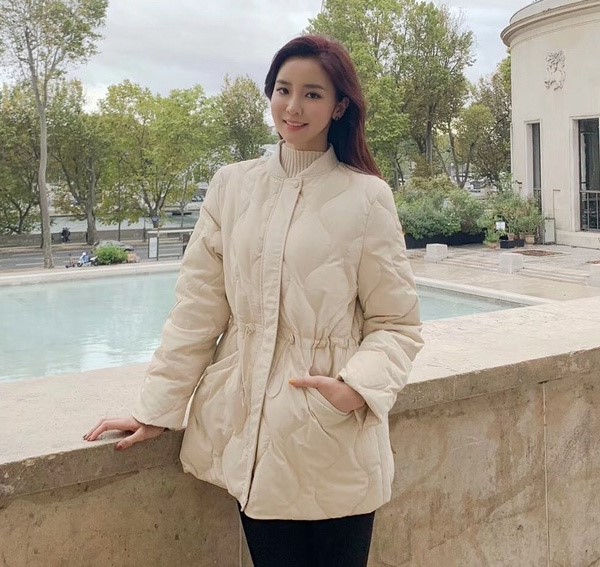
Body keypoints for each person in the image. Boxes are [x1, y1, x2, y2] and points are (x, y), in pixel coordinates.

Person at [84, 35, 423, 567]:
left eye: (313, 94)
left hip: (333, 439)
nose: (293, 106)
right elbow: (198, 308)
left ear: (339, 107)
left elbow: (397, 322)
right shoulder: (231, 186)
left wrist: (355, 389)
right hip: (251, 438)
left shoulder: (366, 197)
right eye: (283, 90)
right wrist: (156, 410)